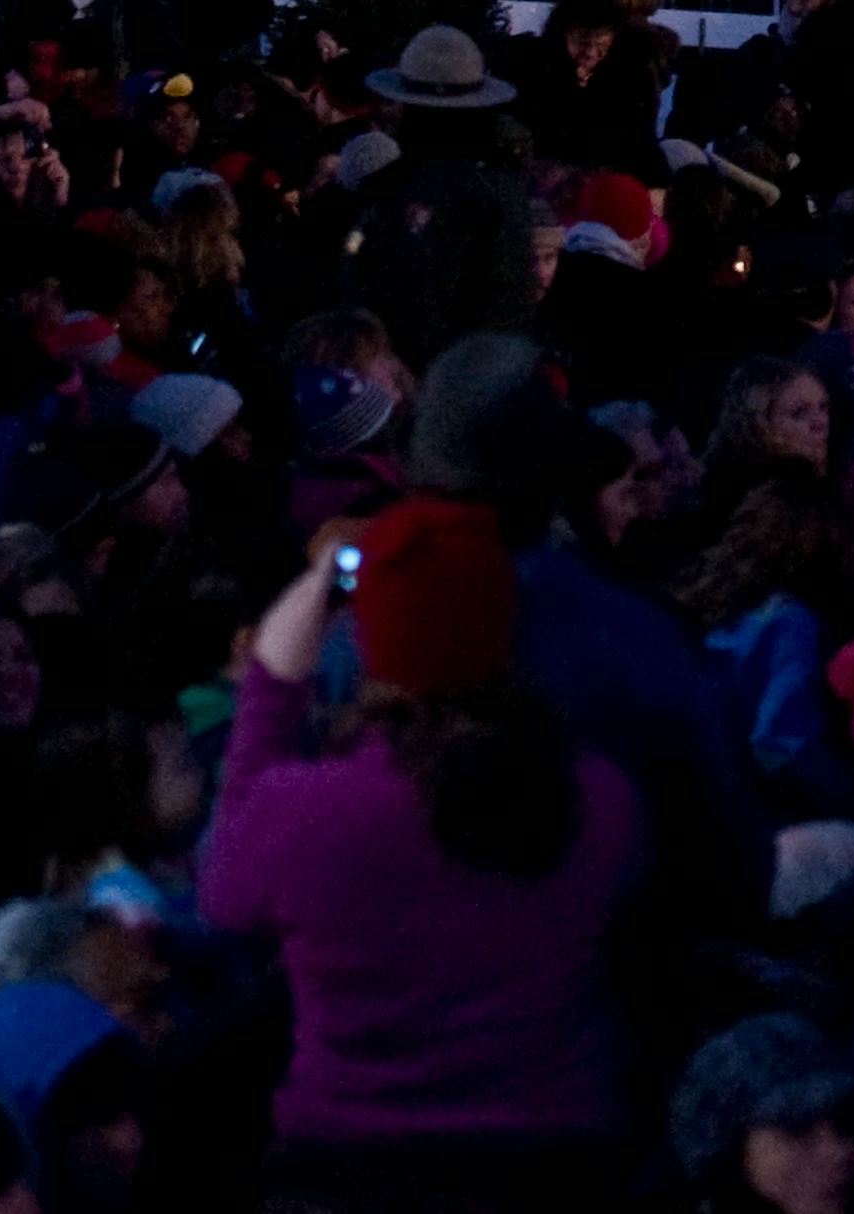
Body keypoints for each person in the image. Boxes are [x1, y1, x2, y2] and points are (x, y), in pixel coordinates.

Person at [200, 500, 648, 1209]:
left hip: (346, 1172)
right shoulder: (601, 799)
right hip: (555, 1168)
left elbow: (223, 898)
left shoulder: (301, 812)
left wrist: (275, 674)